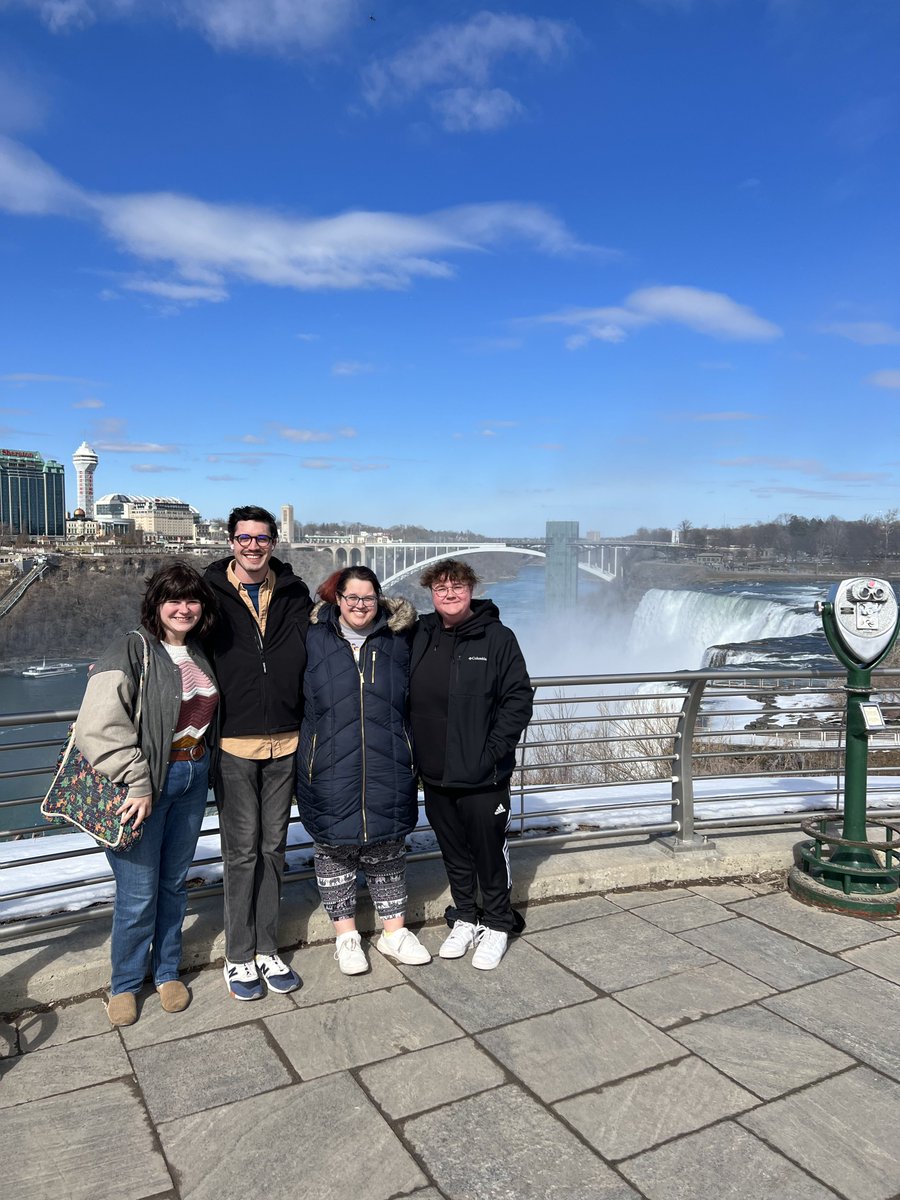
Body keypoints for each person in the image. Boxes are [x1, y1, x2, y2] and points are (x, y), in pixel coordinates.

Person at [73, 561, 218, 1027]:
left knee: (173, 884)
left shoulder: (199, 651)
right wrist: (136, 780)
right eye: (173, 599)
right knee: (137, 893)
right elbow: (98, 726)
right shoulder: (132, 649)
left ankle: (167, 970)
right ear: (155, 604)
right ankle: (125, 983)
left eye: (192, 599)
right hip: (144, 787)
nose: (183, 608)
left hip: (192, 778)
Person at [296, 567, 430, 975]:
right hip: (329, 762)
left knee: (386, 848)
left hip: (389, 761)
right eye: (351, 597)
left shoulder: (401, 638)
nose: (359, 605)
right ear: (337, 599)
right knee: (334, 849)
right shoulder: (311, 637)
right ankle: (347, 938)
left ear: (379, 599)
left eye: (368, 598)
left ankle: (394, 933)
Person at [204, 505, 312, 1000]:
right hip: (234, 743)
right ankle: (238, 954)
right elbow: (169, 635)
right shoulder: (208, 593)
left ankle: (267, 948)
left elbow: (332, 633)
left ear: (273, 542)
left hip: (286, 741)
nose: (253, 546)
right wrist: (119, 662)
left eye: (261, 538)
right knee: (242, 852)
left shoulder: (294, 592)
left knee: (274, 849)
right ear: (231, 541)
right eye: (244, 538)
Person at [409, 558, 533, 970]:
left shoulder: (497, 638)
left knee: (489, 852)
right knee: (454, 851)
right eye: (441, 587)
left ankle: (497, 923)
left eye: (457, 586)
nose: (449, 593)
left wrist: (490, 752)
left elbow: (518, 700)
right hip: (435, 773)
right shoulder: (421, 633)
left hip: (483, 775)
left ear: (472, 590)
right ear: (430, 592)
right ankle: (465, 916)